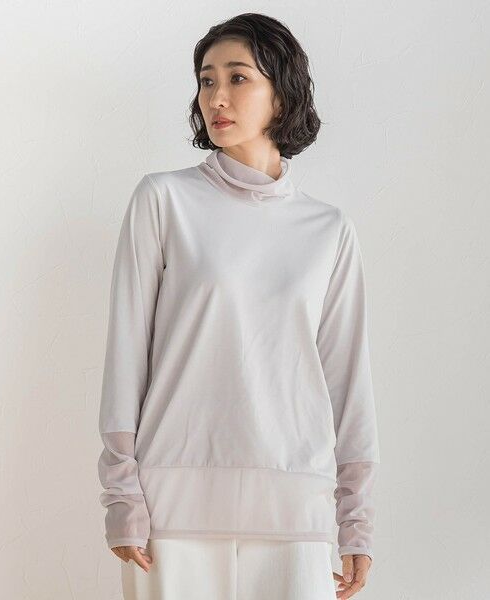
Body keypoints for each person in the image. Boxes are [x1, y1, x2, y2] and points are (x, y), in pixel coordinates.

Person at [97, 12, 380, 600]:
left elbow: (347, 382)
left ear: (283, 93)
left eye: (238, 77)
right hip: (170, 508)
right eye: (206, 80)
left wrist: (356, 521)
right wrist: (122, 493)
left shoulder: (328, 229)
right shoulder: (163, 200)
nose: (216, 97)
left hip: (293, 508)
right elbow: (126, 354)